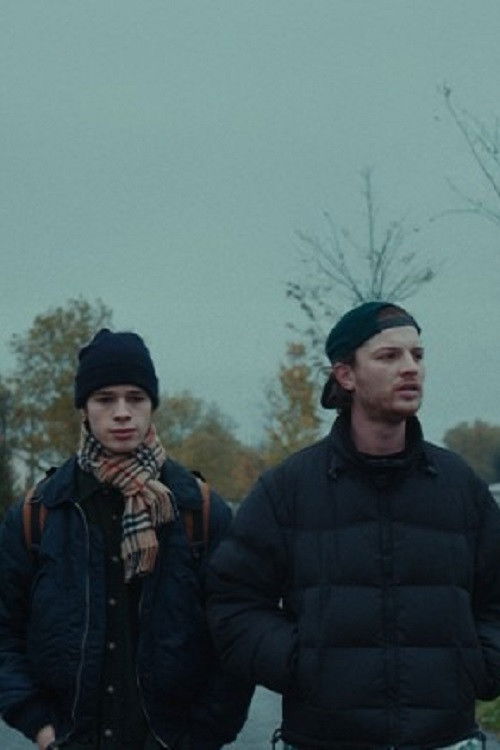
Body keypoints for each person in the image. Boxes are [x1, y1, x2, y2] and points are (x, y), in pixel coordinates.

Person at [207, 301, 500, 749]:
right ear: (345, 375)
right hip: (323, 739)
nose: (410, 368)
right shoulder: (288, 489)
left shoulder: (460, 486)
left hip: (447, 739)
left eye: (417, 355)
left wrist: (480, 665)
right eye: (389, 356)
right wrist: (302, 663)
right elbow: (233, 602)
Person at [0, 329, 251, 750]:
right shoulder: (38, 513)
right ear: (84, 408)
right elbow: (6, 633)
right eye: (105, 399)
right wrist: (41, 727)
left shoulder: (199, 510)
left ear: (152, 405)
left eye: (135, 398)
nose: (122, 413)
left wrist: (204, 735)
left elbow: (234, 636)